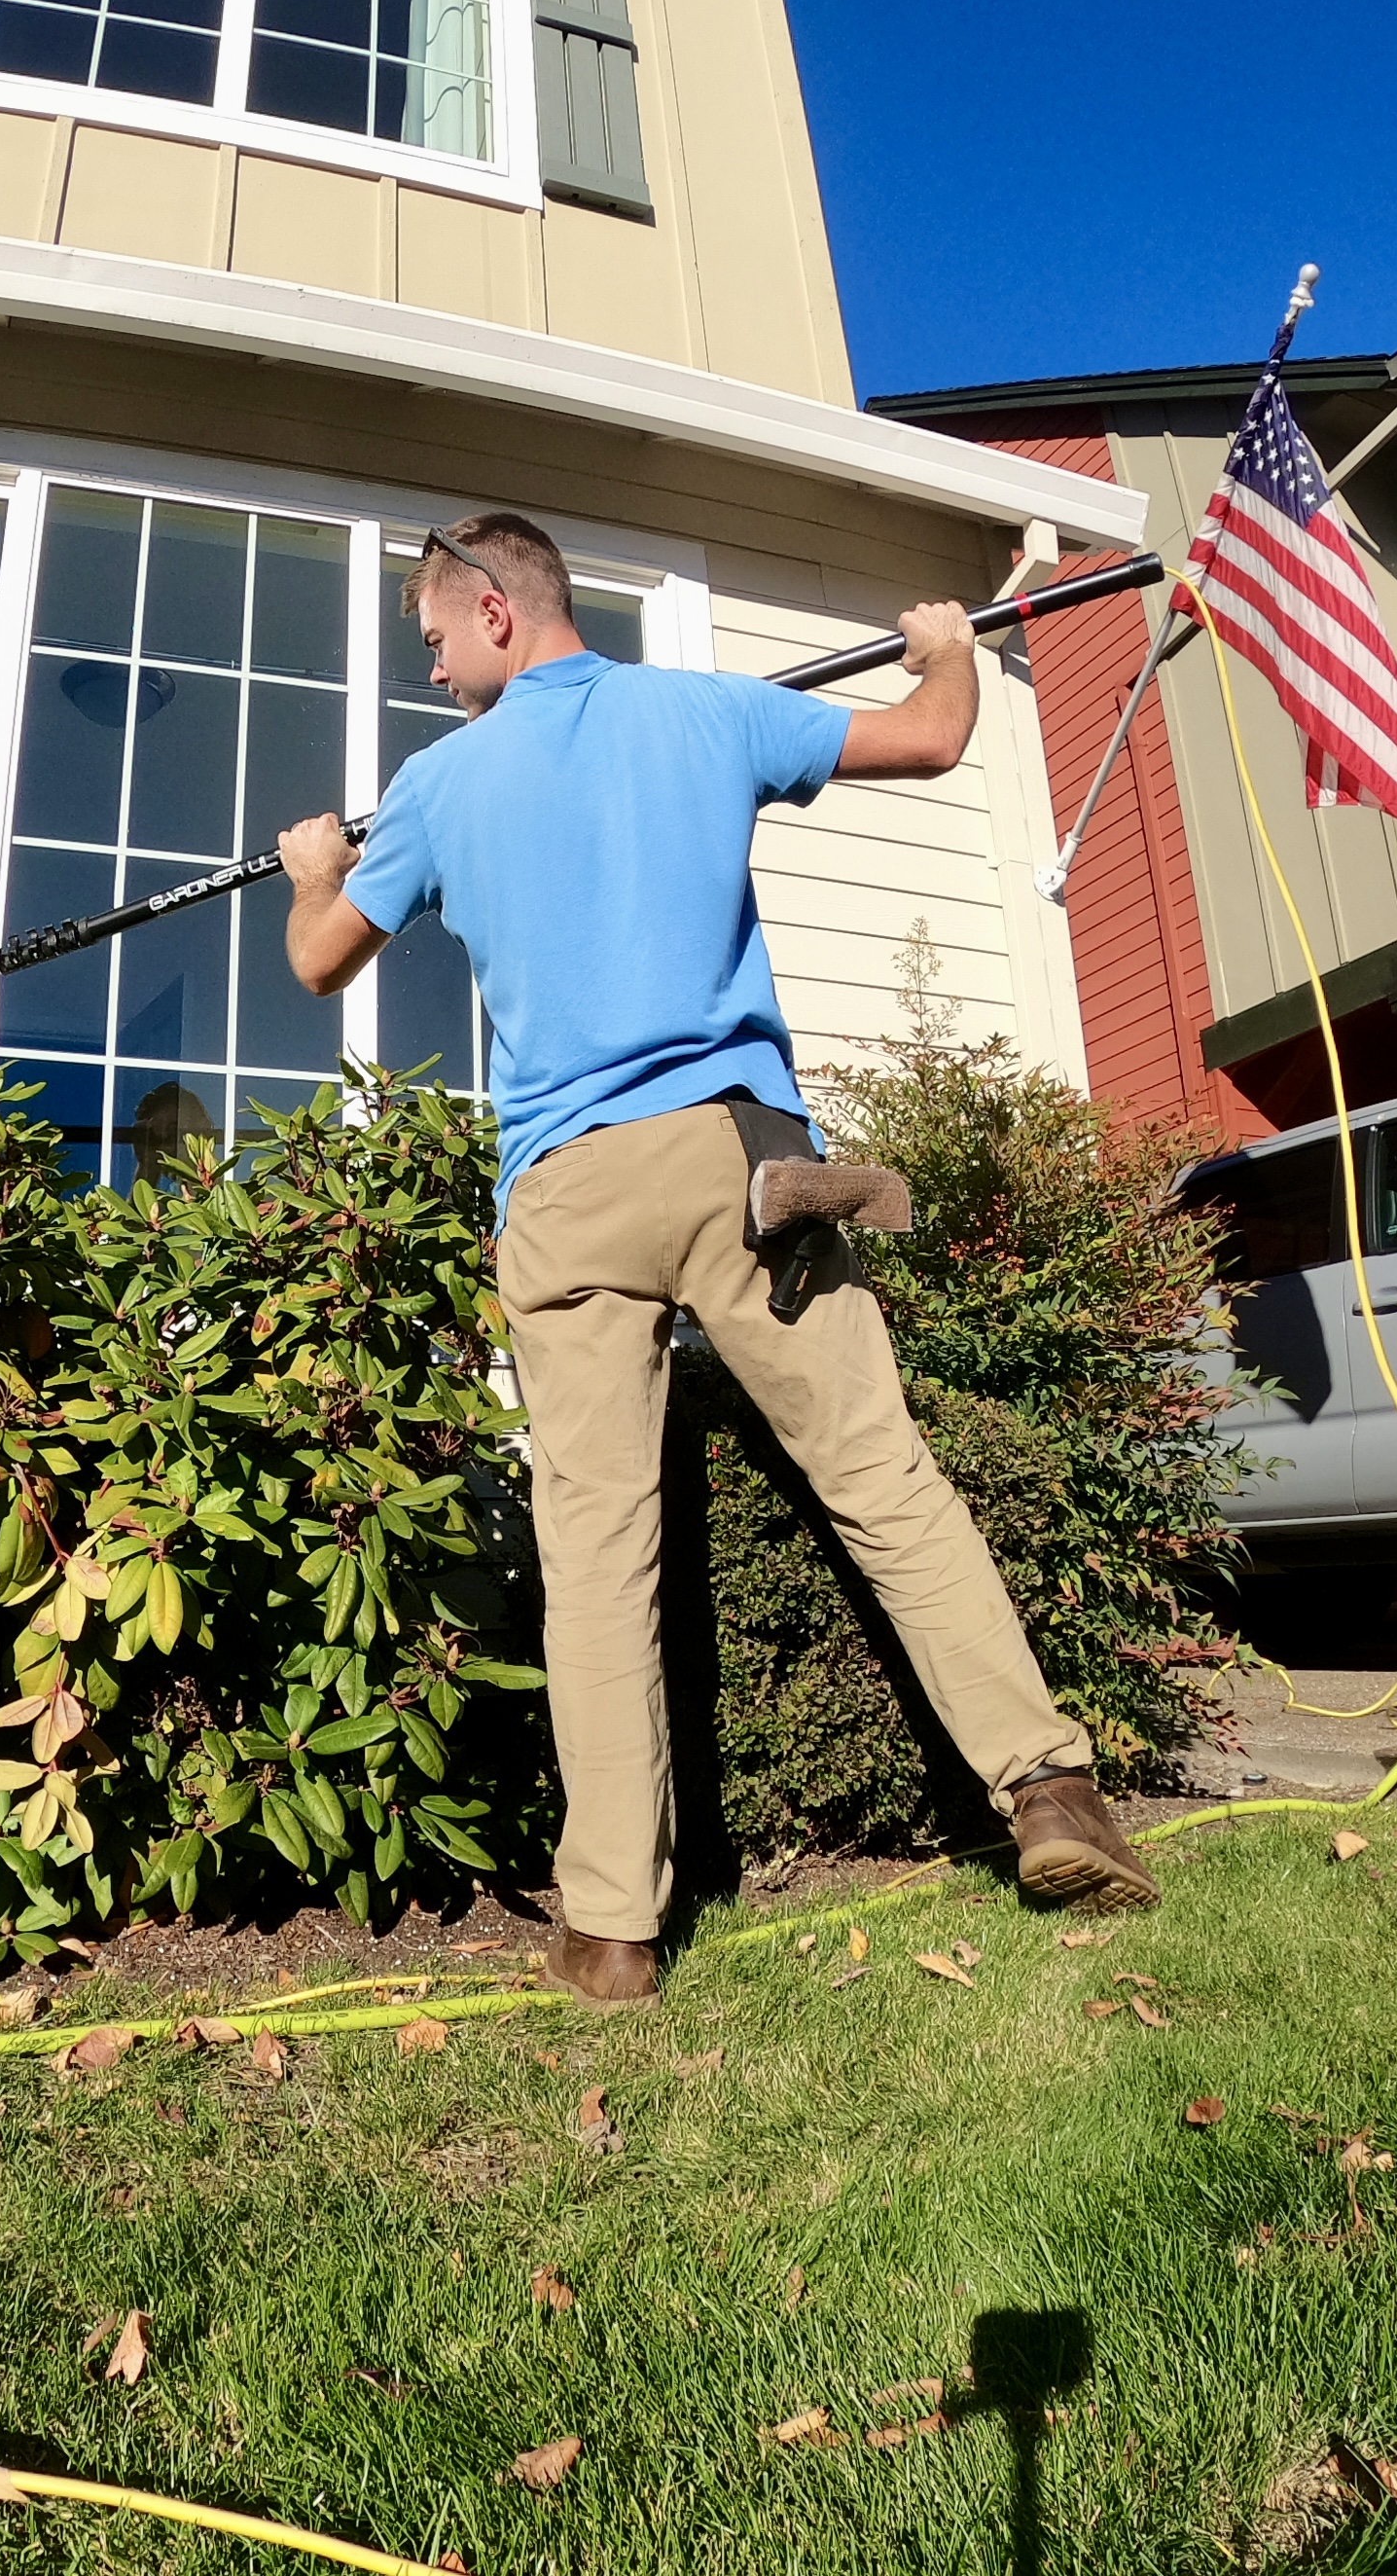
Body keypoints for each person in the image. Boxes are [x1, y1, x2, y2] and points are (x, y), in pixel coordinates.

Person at [278, 511, 1156, 2008]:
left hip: (566, 1191)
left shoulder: (435, 788)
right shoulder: (707, 706)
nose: (428, 674)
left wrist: (315, 864)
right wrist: (948, 646)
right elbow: (937, 737)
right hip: (739, 1157)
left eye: (431, 639)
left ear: (495, 608)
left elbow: (318, 957)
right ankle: (1050, 1789)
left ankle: (613, 1926)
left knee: (596, 1548)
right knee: (877, 1473)